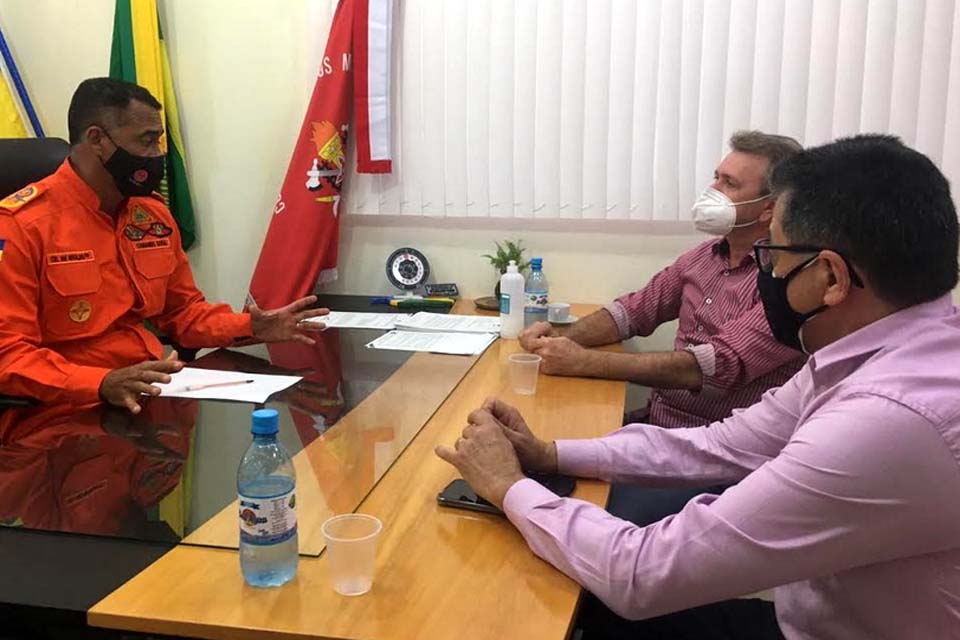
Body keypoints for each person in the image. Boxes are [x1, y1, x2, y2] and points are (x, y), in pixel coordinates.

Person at [437, 135, 960, 638]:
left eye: (774, 256)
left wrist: (508, 487)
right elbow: (720, 444)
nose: (767, 274)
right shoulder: (867, 354)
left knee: (553, 596)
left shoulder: (889, 418)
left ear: (831, 278)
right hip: (812, 619)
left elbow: (643, 574)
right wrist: (548, 454)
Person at [0, 77, 327, 429]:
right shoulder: (20, 226)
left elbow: (183, 314)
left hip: (151, 397)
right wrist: (99, 383)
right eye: (147, 141)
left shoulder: (150, 214)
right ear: (96, 140)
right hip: (60, 416)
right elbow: (7, 355)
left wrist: (252, 325)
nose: (158, 156)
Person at [520, 131, 805, 430]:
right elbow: (632, 312)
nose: (713, 190)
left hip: (713, 445)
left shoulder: (788, 280)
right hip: (657, 423)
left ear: (770, 208)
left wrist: (584, 362)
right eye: (716, 178)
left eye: (729, 184)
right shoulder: (705, 255)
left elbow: (717, 366)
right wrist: (558, 340)